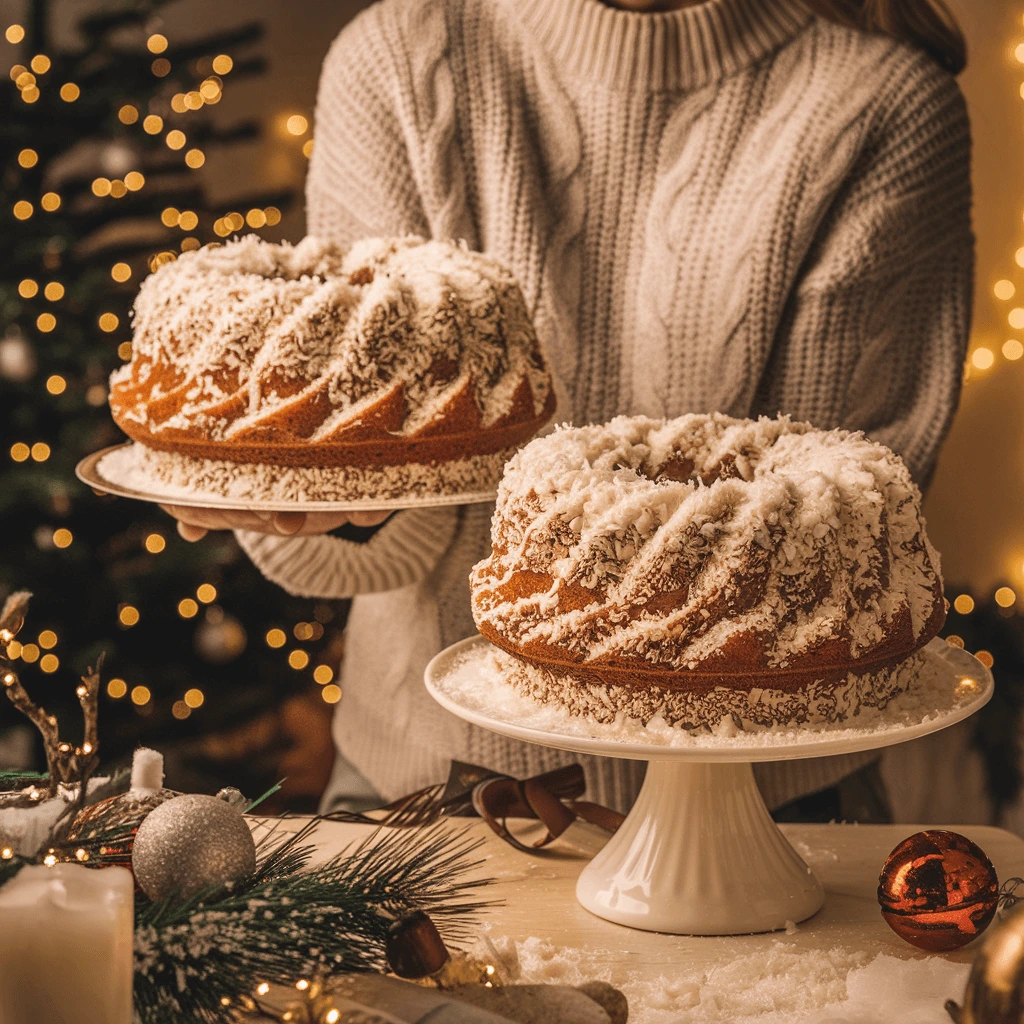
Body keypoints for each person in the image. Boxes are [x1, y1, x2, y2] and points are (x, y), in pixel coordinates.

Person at [162, 0, 973, 818]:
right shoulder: (402, 60)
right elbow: (391, 522)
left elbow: (816, 551)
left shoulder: (882, 104)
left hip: (766, 804)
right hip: (428, 781)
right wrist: (328, 498)